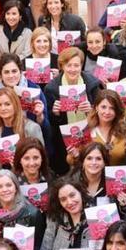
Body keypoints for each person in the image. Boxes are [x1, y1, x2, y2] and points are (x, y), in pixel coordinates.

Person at [44, 46, 100, 175]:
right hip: (63, 142)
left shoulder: (92, 84)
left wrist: (91, 109)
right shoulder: (51, 88)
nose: (73, 69)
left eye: (76, 65)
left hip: (90, 137)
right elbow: (49, 123)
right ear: (62, 66)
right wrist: (56, 113)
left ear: (81, 66)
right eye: (69, 65)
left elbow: (102, 113)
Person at [0, 87, 46, 182]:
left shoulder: (32, 128)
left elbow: (42, 159)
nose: (3, 108)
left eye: (7, 104)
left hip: (26, 181)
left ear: (15, 105)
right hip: (3, 182)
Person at [39, 177, 93, 250]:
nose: (69, 202)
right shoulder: (55, 219)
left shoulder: (96, 217)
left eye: (72, 195)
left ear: (81, 193)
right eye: (63, 199)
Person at [0, 169, 44, 241]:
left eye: (9, 185)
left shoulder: (32, 213)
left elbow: (37, 245)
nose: (4, 189)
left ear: (16, 188)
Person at [71, 142, 126, 212]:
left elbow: (123, 215)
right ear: (83, 162)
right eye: (89, 158)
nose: (94, 162)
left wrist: (124, 206)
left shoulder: (113, 183)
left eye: (98, 159)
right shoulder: (72, 183)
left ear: (104, 163)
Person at [86, 89, 126, 166]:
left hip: (120, 175)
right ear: (96, 107)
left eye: (112, 108)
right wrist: (74, 156)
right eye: (103, 107)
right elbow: (73, 160)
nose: (107, 112)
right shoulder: (87, 127)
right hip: (95, 175)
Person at [0, 0, 33, 84]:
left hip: (17, 73)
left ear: (20, 16)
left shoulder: (28, 33)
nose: (10, 17)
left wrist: (10, 65)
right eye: (8, 14)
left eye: (14, 14)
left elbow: (26, 54)